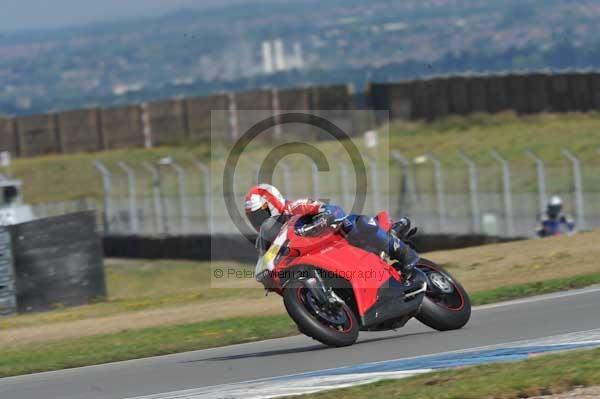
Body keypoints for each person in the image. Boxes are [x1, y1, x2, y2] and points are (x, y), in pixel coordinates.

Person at [244, 183, 419, 275]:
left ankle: (405, 254)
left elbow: (334, 209)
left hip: (339, 240)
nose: (259, 220)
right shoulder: (270, 239)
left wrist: (322, 220)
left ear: (272, 202)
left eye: (260, 214)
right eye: (254, 217)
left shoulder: (296, 207)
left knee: (357, 223)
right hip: (320, 259)